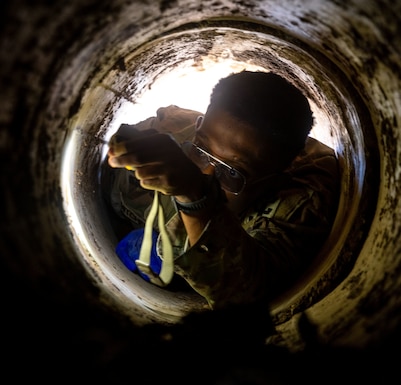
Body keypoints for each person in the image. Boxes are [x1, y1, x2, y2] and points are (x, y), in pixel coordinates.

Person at [102, 71, 340, 310]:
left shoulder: (302, 201)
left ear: (275, 178)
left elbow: (246, 296)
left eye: (233, 172)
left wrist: (195, 197)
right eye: (201, 150)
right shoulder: (171, 129)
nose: (207, 174)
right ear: (198, 127)